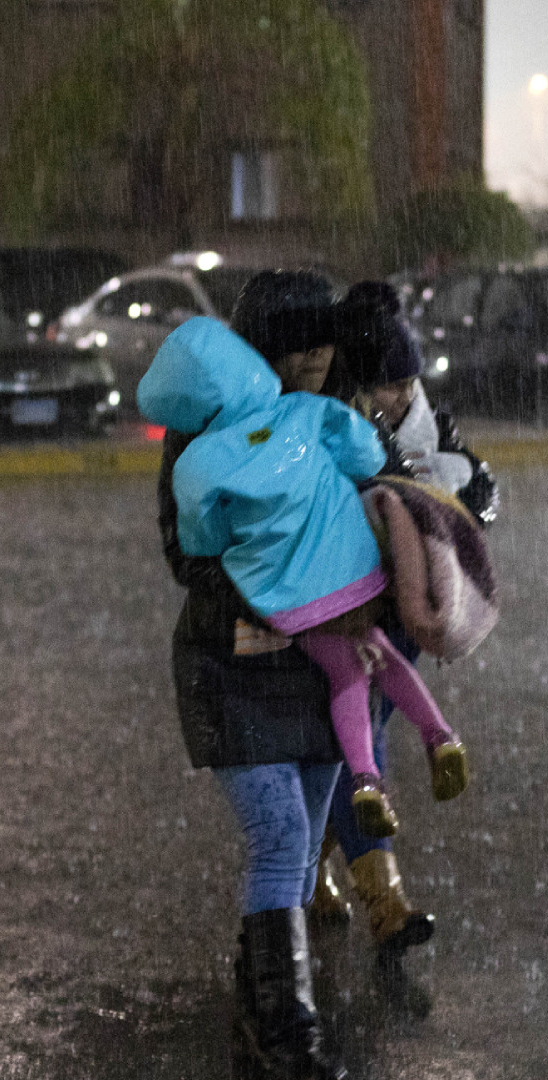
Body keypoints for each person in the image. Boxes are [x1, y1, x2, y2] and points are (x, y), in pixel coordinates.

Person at [142, 309, 471, 843]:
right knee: (379, 652)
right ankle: (439, 734)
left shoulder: (196, 462)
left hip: (291, 600)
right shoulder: (304, 411)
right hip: (354, 573)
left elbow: (201, 541)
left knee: (345, 673)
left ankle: (365, 779)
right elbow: (364, 452)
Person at [149, 269, 358, 1080]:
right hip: (233, 666)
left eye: (320, 342)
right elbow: (185, 555)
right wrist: (278, 596)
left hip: (321, 672)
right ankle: (286, 1031)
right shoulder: (206, 428)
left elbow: (399, 494)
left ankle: (259, 1006)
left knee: (302, 849)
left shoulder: (334, 416)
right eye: (291, 345)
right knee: (280, 837)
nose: (310, 359)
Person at [307, 285, 499, 957]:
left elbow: (480, 487)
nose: (402, 396)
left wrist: (460, 498)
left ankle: (311, 867)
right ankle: (386, 904)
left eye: (408, 382)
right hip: (351, 606)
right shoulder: (337, 426)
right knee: (359, 746)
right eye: (388, 385)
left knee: (354, 743)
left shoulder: (428, 422)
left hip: (409, 607)